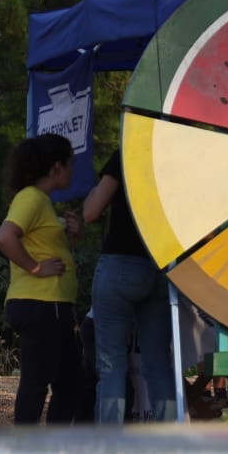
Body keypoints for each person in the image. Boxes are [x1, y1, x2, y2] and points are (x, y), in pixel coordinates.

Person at [0, 134, 89, 425]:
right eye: (71, 165)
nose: (73, 171)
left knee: (70, 382)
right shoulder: (31, 198)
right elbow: (4, 236)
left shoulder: (41, 201)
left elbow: (50, 250)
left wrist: (72, 238)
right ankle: (28, 451)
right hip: (41, 304)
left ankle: (50, 448)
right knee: (38, 383)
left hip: (53, 306)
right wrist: (36, 269)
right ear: (56, 168)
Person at [83, 146, 175, 423]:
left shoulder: (128, 150)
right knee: (159, 365)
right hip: (161, 266)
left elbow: (91, 212)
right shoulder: (177, 151)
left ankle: (110, 450)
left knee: (112, 365)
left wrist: (91, 196)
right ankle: (169, 446)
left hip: (120, 264)